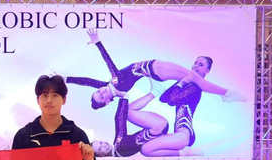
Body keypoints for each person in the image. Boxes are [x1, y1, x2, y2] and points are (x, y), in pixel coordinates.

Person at [66, 29, 247, 110]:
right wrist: (98, 42)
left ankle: (226, 94)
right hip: (155, 69)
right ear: (107, 101)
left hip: (155, 70)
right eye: (101, 96)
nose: (100, 90)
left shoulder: (110, 85)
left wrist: (66, 78)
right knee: (194, 77)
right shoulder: (116, 84)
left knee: (194, 78)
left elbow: (88, 81)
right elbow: (110, 64)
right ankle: (227, 93)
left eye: (98, 91)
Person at [11, 74, 97, 160]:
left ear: (64, 99)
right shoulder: (23, 135)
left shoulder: (77, 134)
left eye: (55, 95)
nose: (49, 100)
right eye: (44, 95)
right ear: (38, 100)